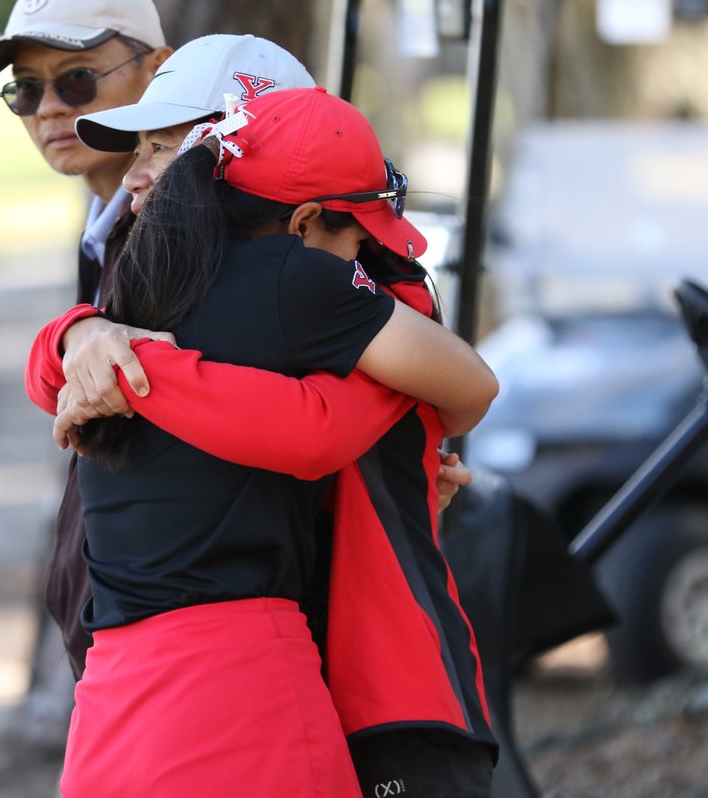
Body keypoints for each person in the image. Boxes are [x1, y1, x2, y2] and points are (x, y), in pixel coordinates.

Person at [31, 86, 498, 796]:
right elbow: (468, 386)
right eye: (358, 243)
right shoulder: (297, 278)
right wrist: (389, 400)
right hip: (242, 687)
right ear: (307, 221)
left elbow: (53, 375)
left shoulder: (136, 293)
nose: (363, 262)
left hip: (110, 700)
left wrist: (113, 355)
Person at [0, 0, 174, 710]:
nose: (49, 109)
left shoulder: (179, 232)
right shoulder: (107, 226)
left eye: (77, 79)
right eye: (26, 90)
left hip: (172, 651)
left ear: (159, 70)